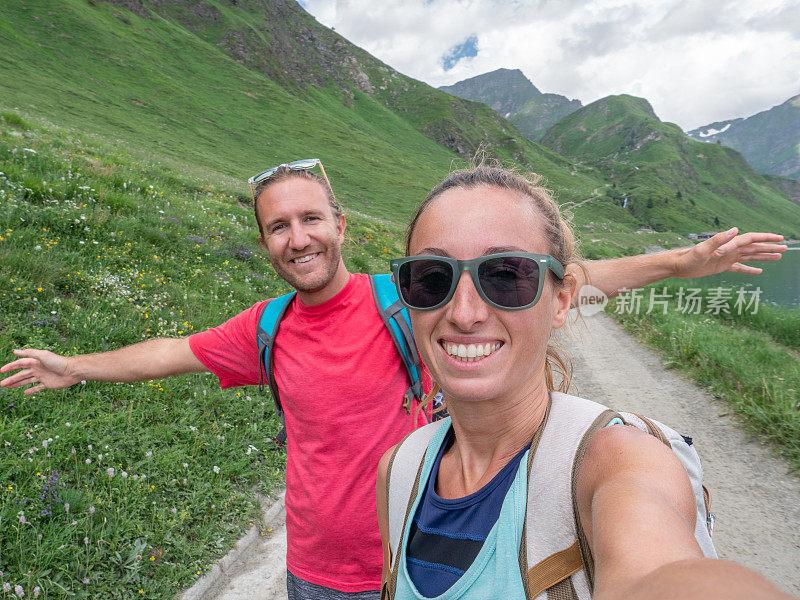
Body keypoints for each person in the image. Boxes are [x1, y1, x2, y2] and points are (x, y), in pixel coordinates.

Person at [0, 160, 788, 600]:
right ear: (267, 243)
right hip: (328, 570)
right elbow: (171, 350)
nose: (298, 237)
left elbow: (657, 571)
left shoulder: (406, 298)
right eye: (279, 225)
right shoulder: (268, 328)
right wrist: (74, 366)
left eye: (312, 218)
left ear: (341, 226)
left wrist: (683, 262)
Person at [376, 165, 790, 600]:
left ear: (562, 301)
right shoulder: (400, 469)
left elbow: (656, 569)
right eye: (431, 278)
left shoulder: (615, 459)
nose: (464, 313)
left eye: (506, 276)